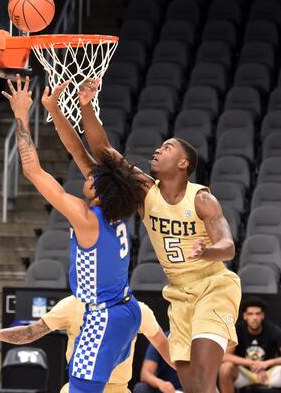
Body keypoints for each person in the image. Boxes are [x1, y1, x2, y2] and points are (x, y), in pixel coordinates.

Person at [44, 78, 240, 393]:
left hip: (213, 287)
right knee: (192, 387)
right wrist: (85, 106)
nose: (158, 149)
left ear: (183, 163)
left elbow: (228, 247)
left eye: (168, 147)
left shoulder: (201, 198)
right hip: (179, 293)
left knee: (203, 381)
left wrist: (209, 251)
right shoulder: (146, 192)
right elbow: (101, 150)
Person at [2, 75, 144, 393]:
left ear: (99, 190)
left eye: (94, 176)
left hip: (104, 316)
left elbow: (32, 170)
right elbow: (77, 150)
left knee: (78, 387)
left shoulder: (86, 217)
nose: (87, 172)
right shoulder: (117, 205)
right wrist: (55, 110)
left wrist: (21, 114)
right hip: (126, 310)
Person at [0, 296, 172, 393]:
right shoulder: (72, 305)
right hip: (78, 387)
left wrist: (196, 378)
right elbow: (31, 332)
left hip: (118, 388)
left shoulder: (137, 309)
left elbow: (165, 348)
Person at [219, 297, 281, 393]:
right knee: (225, 368)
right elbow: (224, 356)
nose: (254, 318)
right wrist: (251, 363)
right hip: (245, 374)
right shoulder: (238, 330)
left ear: (263, 315)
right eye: (250, 314)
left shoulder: (272, 330)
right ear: (245, 316)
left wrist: (267, 363)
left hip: (269, 373)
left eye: (258, 314)